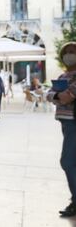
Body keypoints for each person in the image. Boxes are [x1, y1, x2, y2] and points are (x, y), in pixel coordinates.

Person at [47, 41, 76, 218]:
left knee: (67, 161)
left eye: (73, 51)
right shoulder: (64, 75)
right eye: (67, 52)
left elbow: (66, 97)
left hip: (73, 121)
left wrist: (56, 96)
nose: (69, 54)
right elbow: (50, 94)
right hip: (66, 122)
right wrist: (57, 95)